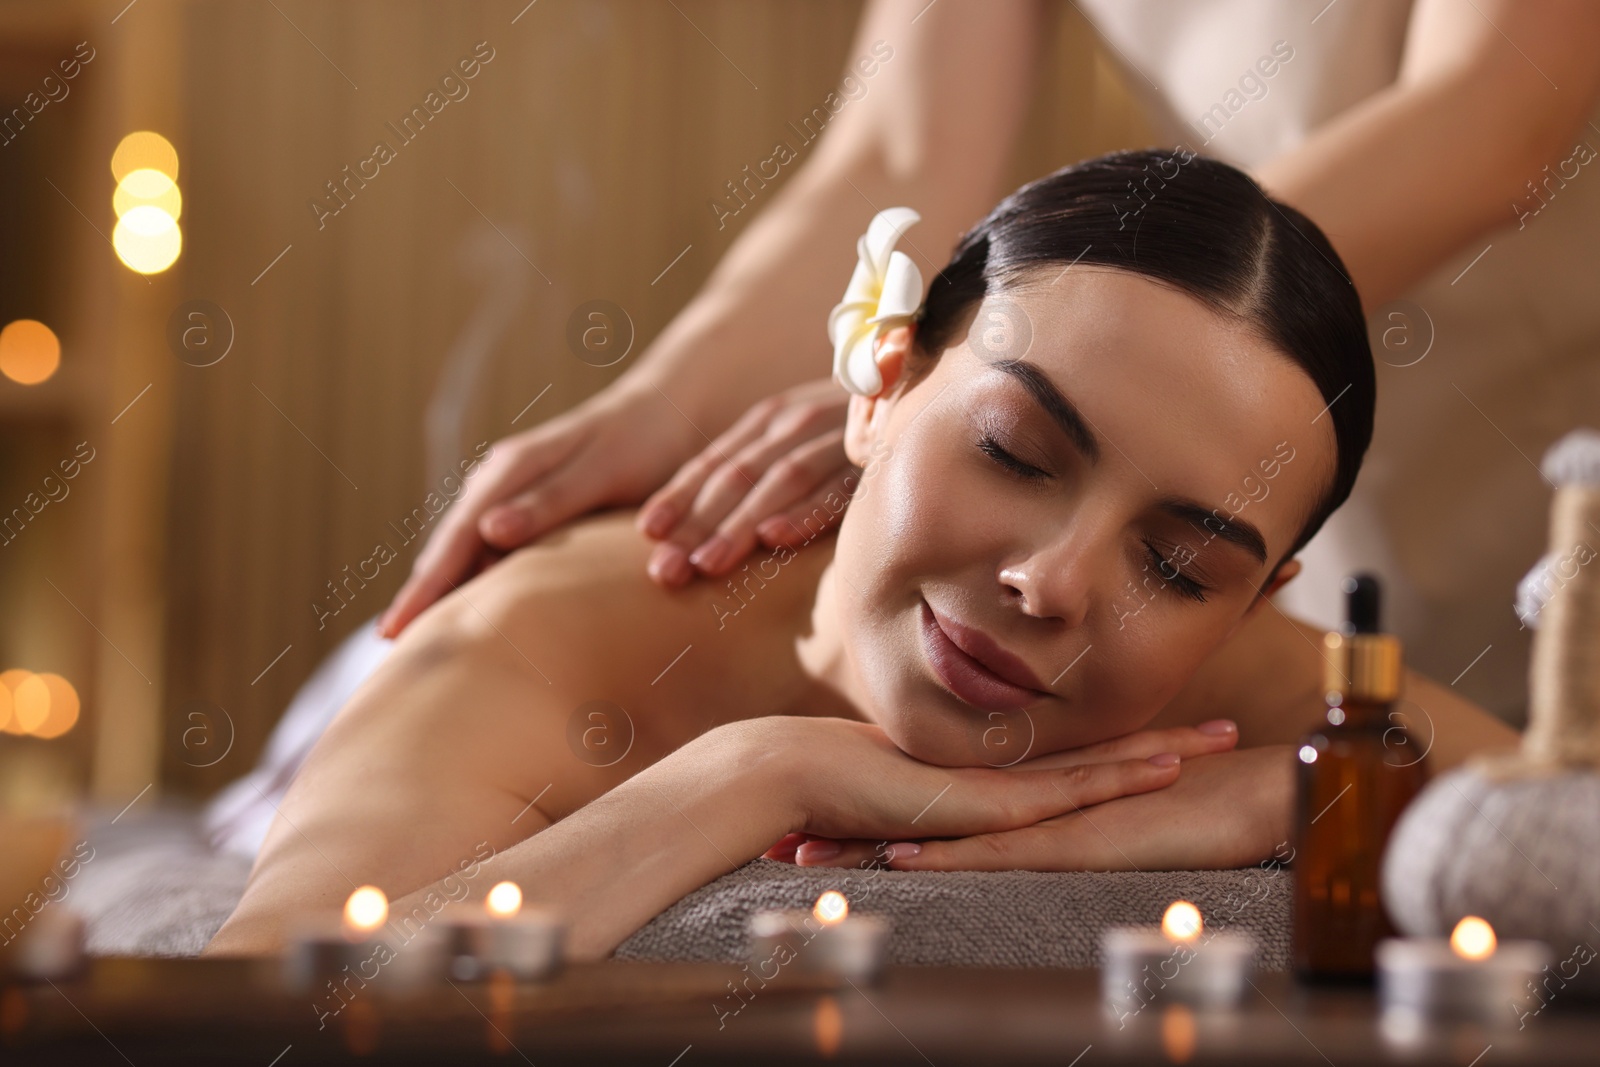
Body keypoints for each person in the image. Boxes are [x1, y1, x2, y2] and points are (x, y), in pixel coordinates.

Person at [205, 152, 1515, 959]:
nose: (1055, 584)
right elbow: (272, 997)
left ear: (1254, 602)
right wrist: (752, 771)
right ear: (879, 388)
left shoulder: (1287, 707)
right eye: (1012, 451)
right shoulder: (547, 643)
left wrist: (1306, 801)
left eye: (1176, 568)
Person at [376, 0, 1600, 730]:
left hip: (1526, 447)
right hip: (1204, 466)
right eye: (1008, 449)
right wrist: (673, 396)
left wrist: (1030, 347)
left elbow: (1493, 120)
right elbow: (899, 153)